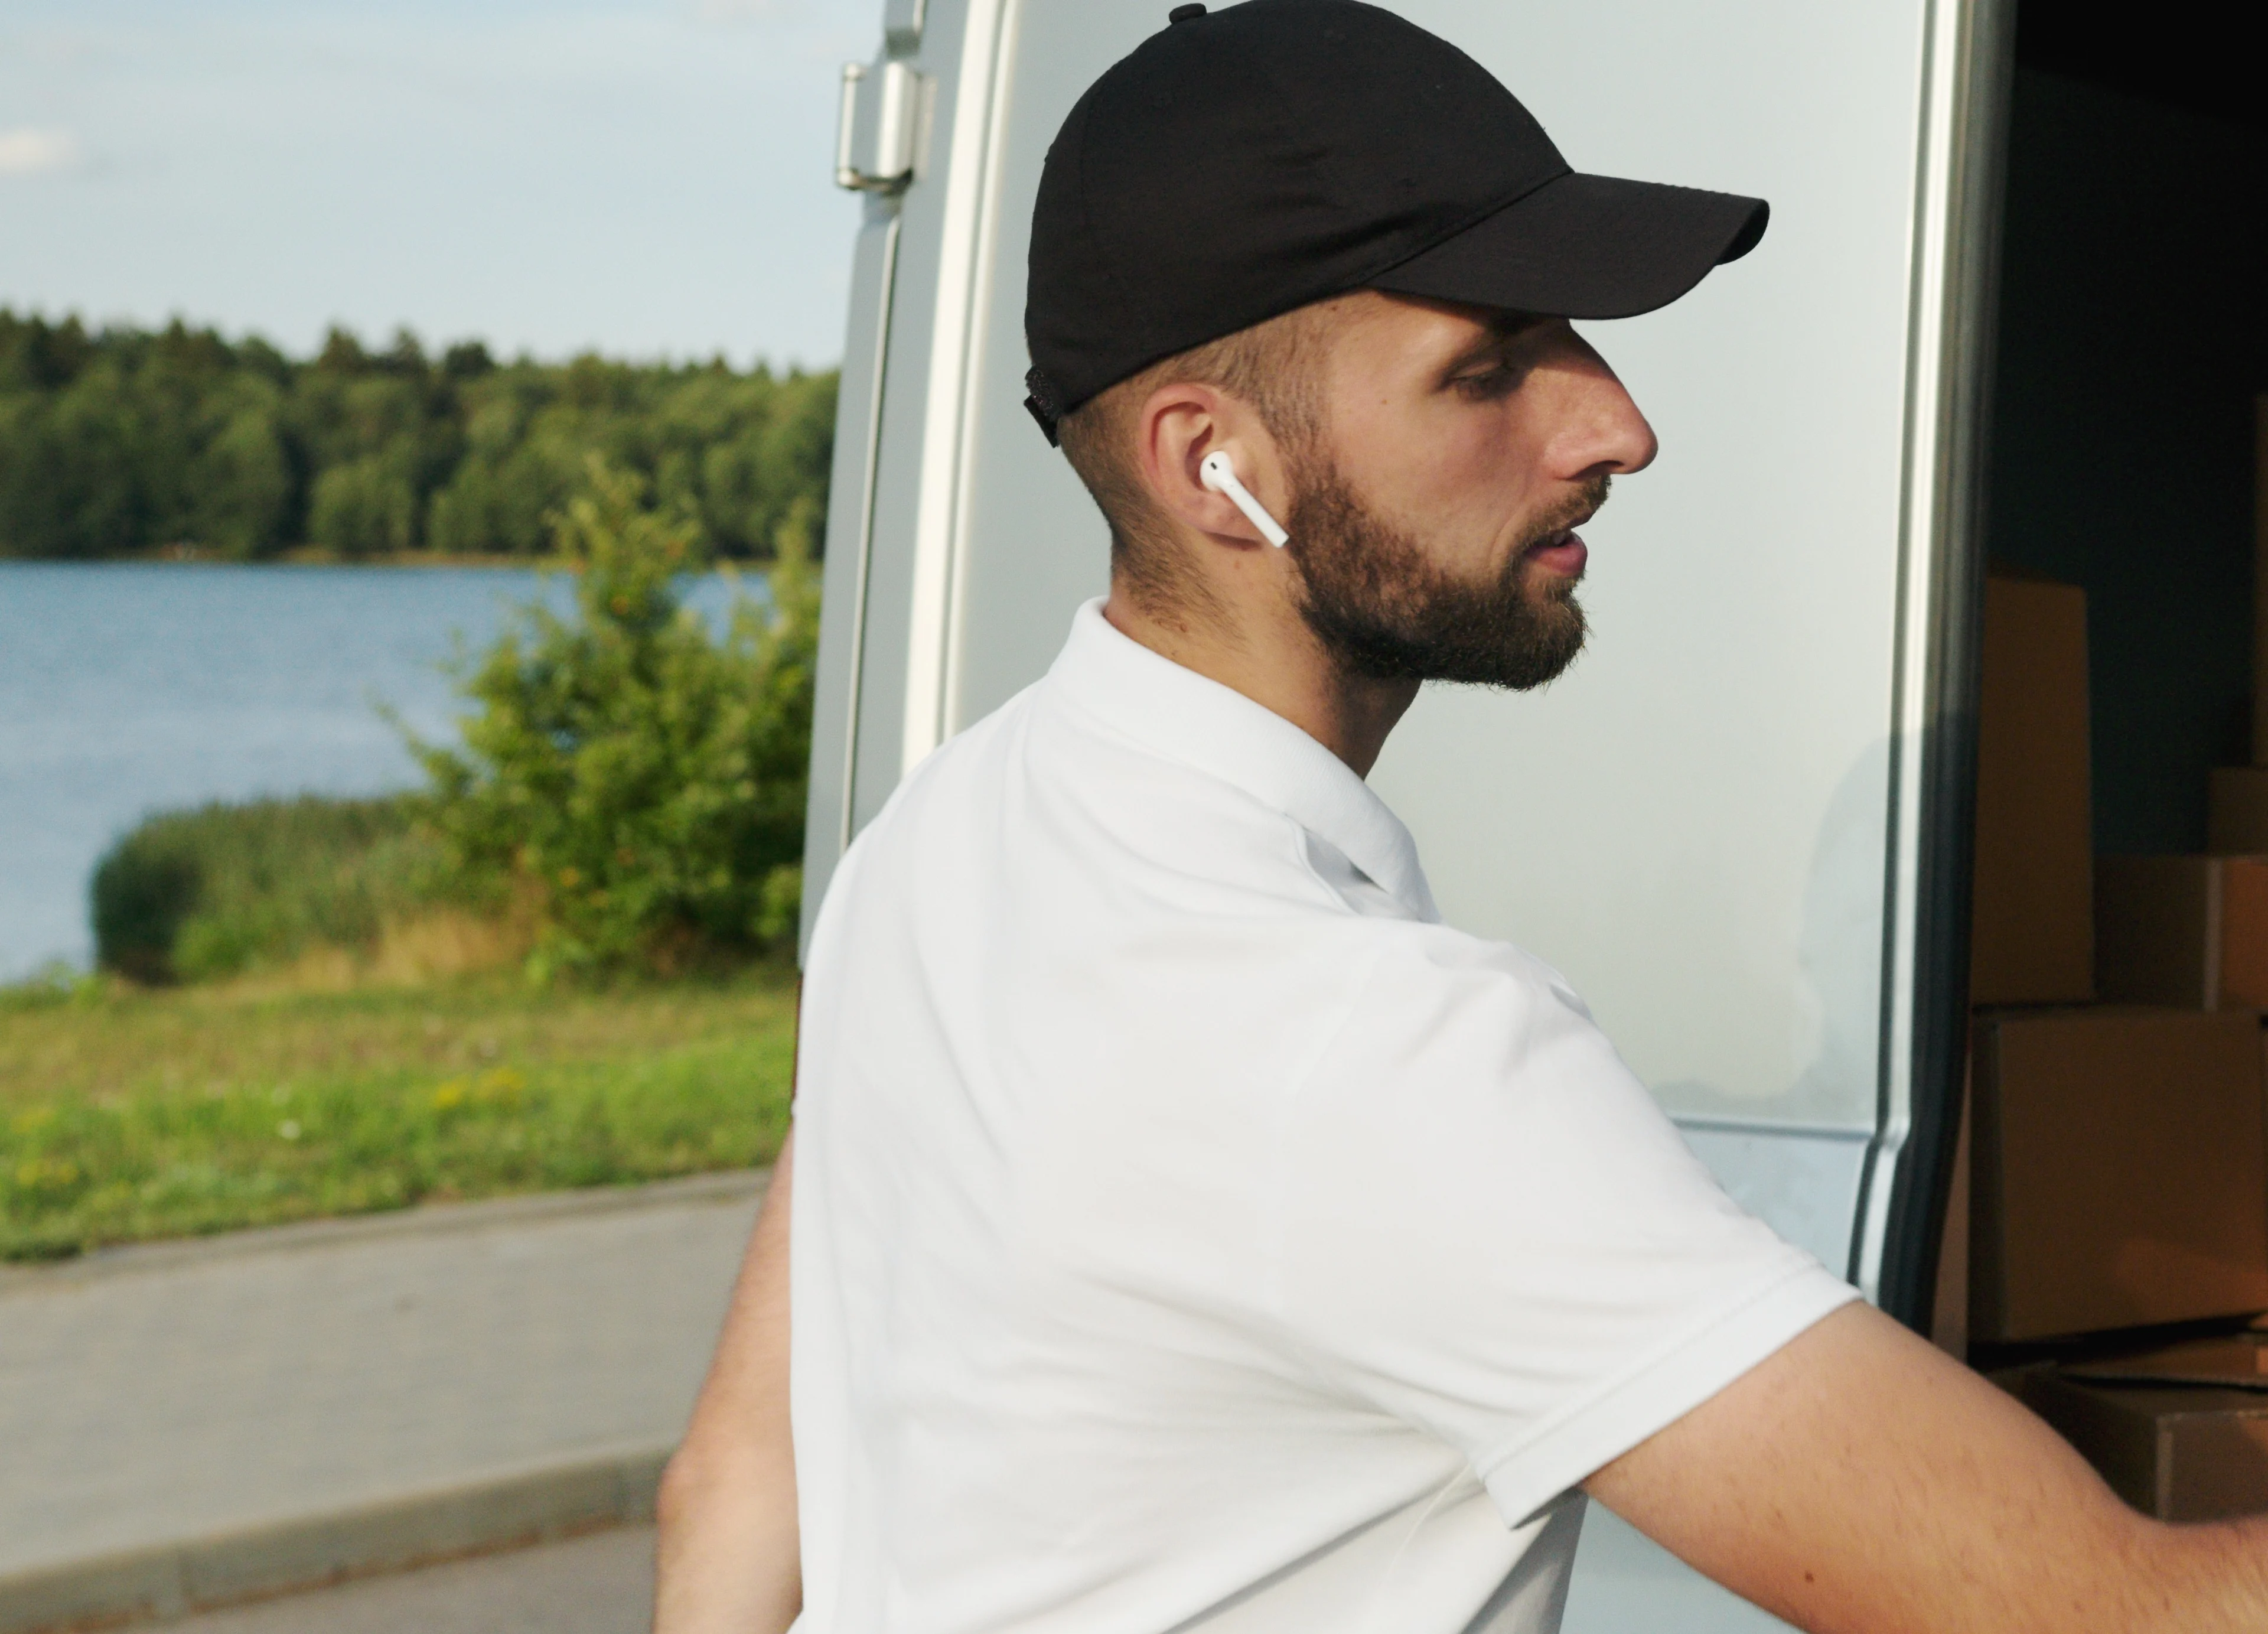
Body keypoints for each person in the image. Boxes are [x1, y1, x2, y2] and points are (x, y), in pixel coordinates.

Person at [654, 4, 2268, 1630]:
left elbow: (730, 1496)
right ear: (1213, 465)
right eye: (1485, 368)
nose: (1615, 429)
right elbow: (2130, 1615)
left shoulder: (935, 845)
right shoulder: (1374, 1054)